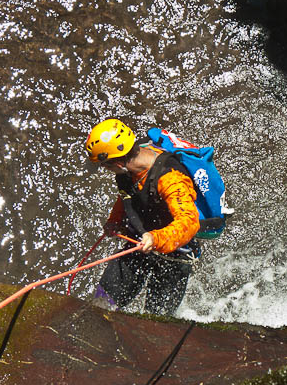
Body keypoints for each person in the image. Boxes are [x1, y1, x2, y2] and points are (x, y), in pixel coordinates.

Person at [84, 118, 200, 315]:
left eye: (105, 166)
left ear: (118, 162)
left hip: (174, 258)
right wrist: (116, 220)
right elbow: (128, 195)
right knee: (102, 304)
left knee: (155, 320)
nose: (106, 171)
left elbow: (189, 221)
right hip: (139, 244)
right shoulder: (128, 169)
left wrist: (155, 238)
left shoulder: (170, 178)